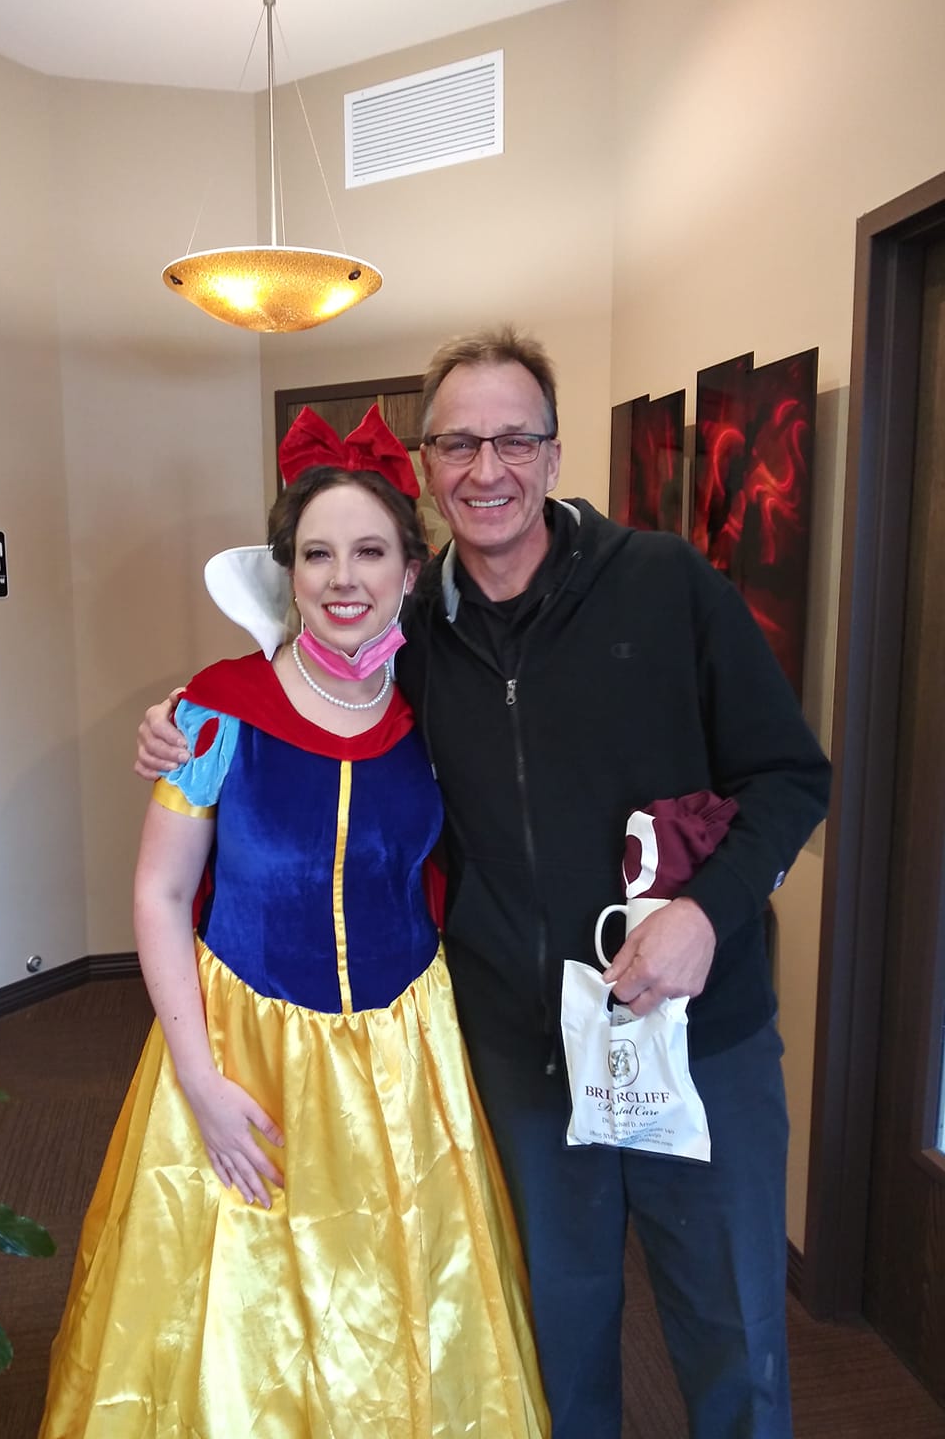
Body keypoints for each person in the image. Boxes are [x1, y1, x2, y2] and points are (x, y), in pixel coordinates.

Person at [138, 329, 831, 1439]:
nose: (487, 468)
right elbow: (296, 694)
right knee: (552, 1345)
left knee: (731, 1339)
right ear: (427, 466)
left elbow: (791, 777)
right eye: (458, 443)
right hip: (521, 1049)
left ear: (554, 453)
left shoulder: (664, 584)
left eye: (514, 439)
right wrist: (181, 726)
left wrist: (709, 912)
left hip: (695, 1037)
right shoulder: (406, 635)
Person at [42, 404, 550, 1439]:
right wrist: (199, 1083)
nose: (342, 578)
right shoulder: (214, 713)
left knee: (403, 1311)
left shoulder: (432, 706)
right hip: (241, 1053)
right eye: (317, 554)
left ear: (411, 570)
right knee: (236, 1330)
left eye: (370, 551)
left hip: (406, 1060)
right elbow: (158, 895)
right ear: (289, 571)